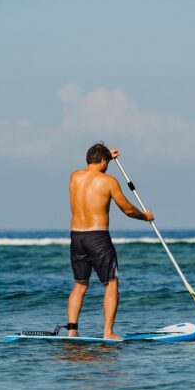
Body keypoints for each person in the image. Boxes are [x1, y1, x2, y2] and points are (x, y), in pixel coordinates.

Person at [66, 143, 154, 340]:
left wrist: (106, 158)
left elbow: (92, 169)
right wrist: (145, 216)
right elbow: (128, 209)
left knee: (80, 285)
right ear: (104, 161)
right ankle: (108, 332)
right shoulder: (108, 181)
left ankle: (72, 330)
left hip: (76, 236)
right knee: (111, 283)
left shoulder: (74, 176)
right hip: (98, 237)